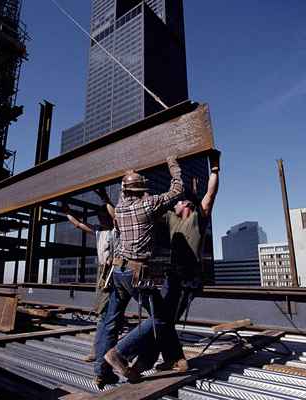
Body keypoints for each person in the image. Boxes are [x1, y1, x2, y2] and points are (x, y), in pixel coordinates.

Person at [93, 156, 183, 388]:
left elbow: (125, 192)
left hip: (118, 272)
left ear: (125, 190)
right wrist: (172, 164)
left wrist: (128, 177)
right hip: (135, 274)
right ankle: (119, 353)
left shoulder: (121, 207)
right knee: (162, 318)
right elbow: (178, 189)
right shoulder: (148, 204)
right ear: (142, 190)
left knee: (111, 321)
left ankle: (101, 372)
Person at [133, 149, 221, 373]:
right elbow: (148, 203)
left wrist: (215, 168)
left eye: (179, 201)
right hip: (172, 277)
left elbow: (210, 194)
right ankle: (166, 360)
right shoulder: (170, 218)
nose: (178, 202)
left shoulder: (198, 218)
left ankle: (154, 360)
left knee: (165, 320)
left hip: (187, 279)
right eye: (177, 202)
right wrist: (135, 180)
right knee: (163, 320)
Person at [61, 188, 119, 362]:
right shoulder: (99, 231)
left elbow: (115, 216)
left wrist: (105, 197)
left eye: (103, 216)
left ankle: (104, 351)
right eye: (99, 217)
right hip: (103, 273)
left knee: (111, 314)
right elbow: (78, 224)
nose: (101, 219)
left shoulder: (117, 230)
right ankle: (99, 350)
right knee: (104, 313)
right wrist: (67, 211)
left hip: (115, 271)